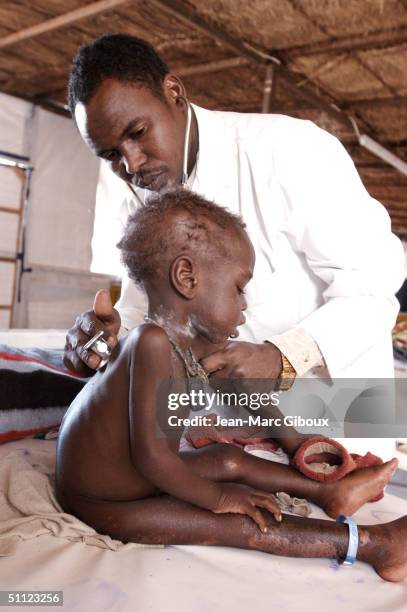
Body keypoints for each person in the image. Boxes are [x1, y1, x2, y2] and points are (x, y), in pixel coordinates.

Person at [55, 190, 406, 582]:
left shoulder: (186, 346)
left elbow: (237, 389)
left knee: (228, 459)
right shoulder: (150, 342)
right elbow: (154, 460)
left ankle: (328, 494)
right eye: (239, 287)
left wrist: (295, 442)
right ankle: (377, 544)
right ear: (187, 278)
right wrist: (220, 498)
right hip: (104, 500)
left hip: (137, 477)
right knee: (239, 524)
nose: (245, 304)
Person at [64, 33, 404, 387]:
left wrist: (283, 357)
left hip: (339, 410)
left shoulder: (291, 151)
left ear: (174, 93)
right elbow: (146, 308)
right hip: (231, 418)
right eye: (110, 155)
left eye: (137, 132)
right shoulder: (136, 199)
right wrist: (107, 337)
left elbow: (373, 291)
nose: (131, 164)